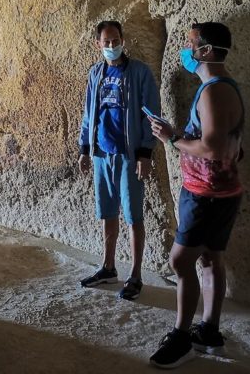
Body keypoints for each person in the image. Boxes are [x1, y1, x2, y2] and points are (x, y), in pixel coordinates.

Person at [148, 22, 244, 369]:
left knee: (180, 261)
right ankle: (208, 332)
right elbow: (229, 145)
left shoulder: (214, 92)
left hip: (206, 195)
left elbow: (213, 148)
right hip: (222, 191)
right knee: (211, 259)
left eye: (191, 44)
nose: (186, 51)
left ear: (206, 51)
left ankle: (181, 338)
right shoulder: (222, 87)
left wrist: (171, 139)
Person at [78, 20, 160, 300]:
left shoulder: (139, 72)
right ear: (98, 44)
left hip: (128, 155)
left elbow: (150, 113)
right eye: (106, 42)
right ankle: (108, 267)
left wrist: (145, 152)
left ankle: (135, 274)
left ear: (123, 41)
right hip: (102, 153)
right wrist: (85, 149)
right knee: (107, 212)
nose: (111, 46)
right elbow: (89, 113)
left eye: (115, 41)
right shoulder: (96, 73)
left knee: (133, 215)